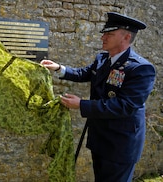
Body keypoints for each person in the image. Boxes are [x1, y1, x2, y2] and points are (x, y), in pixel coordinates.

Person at [41, 12, 156, 182]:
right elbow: (84, 73)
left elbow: (125, 105)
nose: (103, 37)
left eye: (109, 34)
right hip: (100, 138)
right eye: (104, 33)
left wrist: (81, 105)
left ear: (126, 37)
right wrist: (59, 68)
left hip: (120, 143)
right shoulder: (103, 58)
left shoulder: (141, 69)